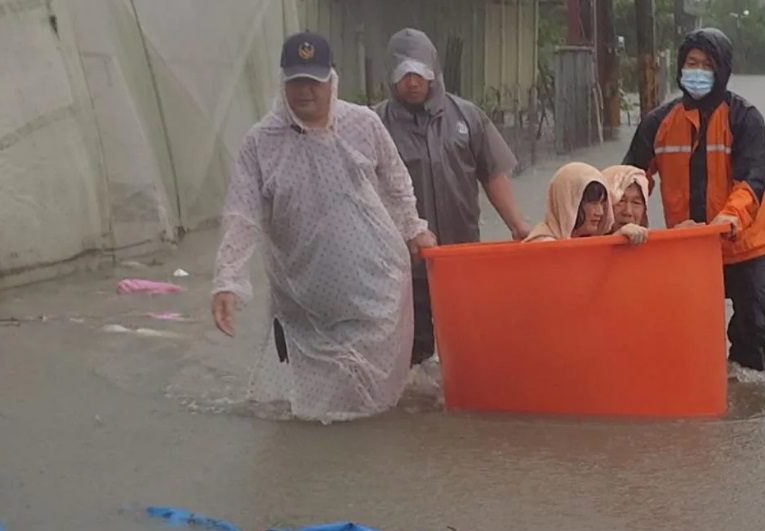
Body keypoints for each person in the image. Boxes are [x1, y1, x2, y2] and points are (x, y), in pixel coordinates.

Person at [210, 32, 436, 424]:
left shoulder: (362, 124)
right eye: (295, 81)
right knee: (316, 411)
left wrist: (414, 228)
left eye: (313, 81)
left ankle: (364, 470)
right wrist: (227, 280)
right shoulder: (260, 143)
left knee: (373, 405)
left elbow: (397, 182)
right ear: (283, 83)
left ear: (331, 80)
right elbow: (241, 214)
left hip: (375, 289)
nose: (304, 92)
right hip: (304, 300)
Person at [375, 28, 531, 368]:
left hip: (461, 258)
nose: (412, 82)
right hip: (403, 265)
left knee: (468, 348)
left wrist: (517, 224)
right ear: (391, 77)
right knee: (410, 357)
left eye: (419, 72)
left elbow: (492, 174)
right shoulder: (374, 125)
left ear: (433, 70)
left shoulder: (467, 116)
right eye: (403, 75)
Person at [623, 28, 765, 373]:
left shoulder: (744, 118)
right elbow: (631, 180)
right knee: (684, 333)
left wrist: (729, 218)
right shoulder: (658, 122)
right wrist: (622, 218)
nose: (698, 71)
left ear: (722, 70)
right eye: (691, 63)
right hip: (686, 248)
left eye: (707, 65)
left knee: (752, 333)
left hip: (744, 246)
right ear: (680, 68)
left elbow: (752, 181)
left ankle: (745, 405)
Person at [524, 162, 646, 244]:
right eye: (592, 203)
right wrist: (613, 243)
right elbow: (573, 275)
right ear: (569, 202)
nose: (600, 212)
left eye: (602, 203)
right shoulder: (542, 243)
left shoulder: (586, 239)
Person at [602, 164, 651, 230]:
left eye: (636, 202)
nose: (628, 212)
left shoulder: (656, 239)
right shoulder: (584, 239)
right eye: (620, 201)